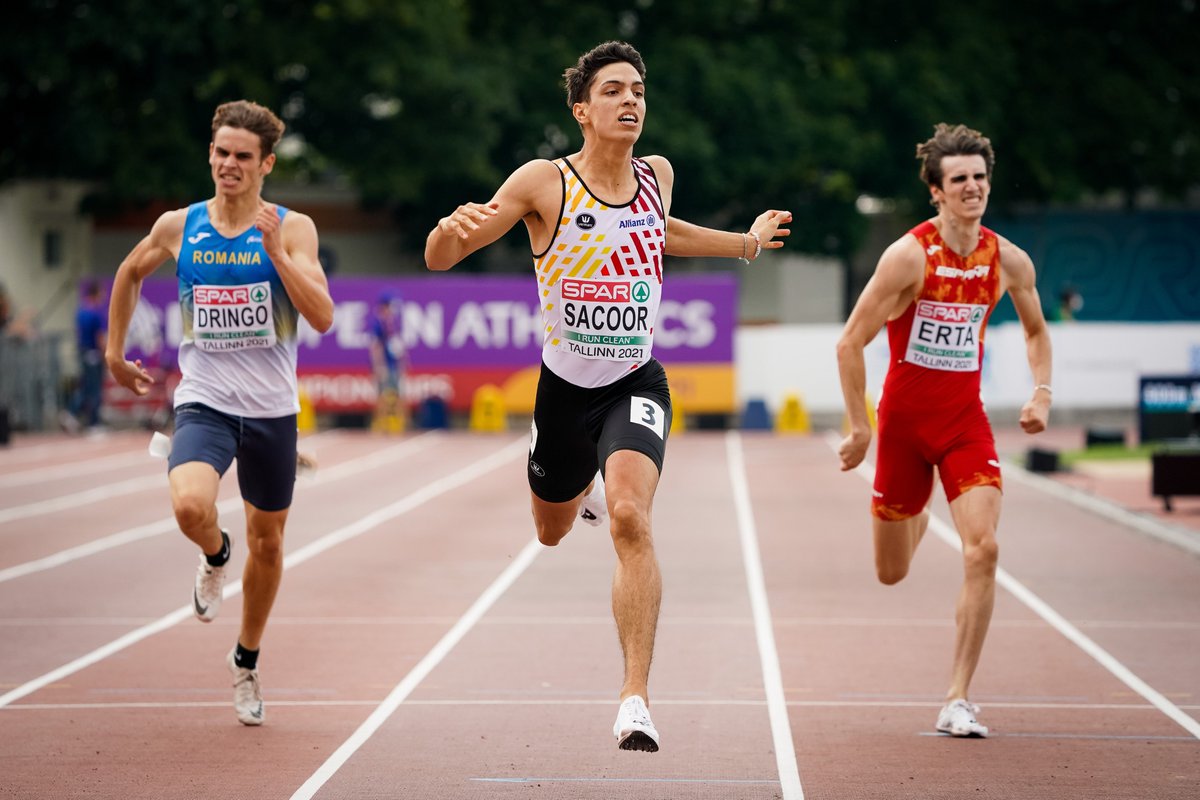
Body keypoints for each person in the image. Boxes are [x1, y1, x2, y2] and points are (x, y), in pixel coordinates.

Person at [425, 41, 791, 752]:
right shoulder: (545, 183)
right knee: (550, 532)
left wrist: (745, 244)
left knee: (630, 518)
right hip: (563, 394)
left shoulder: (658, 175)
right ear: (581, 110)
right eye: (614, 91)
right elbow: (445, 258)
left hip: (634, 382)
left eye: (638, 91)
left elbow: (662, 233)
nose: (630, 101)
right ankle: (580, 485)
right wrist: (446, 232)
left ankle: (634, 700)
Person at [106, 100, 333, 726]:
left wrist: (277, 256)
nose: (229, 164)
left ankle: (246, 659)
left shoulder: (293, 228)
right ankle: (214, 553)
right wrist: (115, 354)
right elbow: (129, 272)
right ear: (210, 154)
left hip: (270, 412)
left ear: (266, 164)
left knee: (270, 542)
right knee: (189, 507)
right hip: (204, 401)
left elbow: (321, 316)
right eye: (221, 153)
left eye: (242, 156)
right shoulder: (180, 226)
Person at [835, 123, 1052, 738]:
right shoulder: (909, 256)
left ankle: (958, 697)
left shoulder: (1008, 260)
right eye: (959, 179)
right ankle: (919, 507)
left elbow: (1036, 331)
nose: (972, 187)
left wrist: (1042, 391)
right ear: (936, 190)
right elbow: (850, 343)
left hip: (964, 426)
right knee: (891, 572)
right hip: (904, 429)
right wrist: (860, 427)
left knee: (984, 550)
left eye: (980, 177)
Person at [65, 280, 108, 431]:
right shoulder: (95, 313)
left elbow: (78, 333)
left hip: (83, 353)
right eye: (101, 294)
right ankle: (94, 423)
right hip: (93, 354)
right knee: (95, 390)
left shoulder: (80, 312)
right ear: (95, 294)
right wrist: (105, 356)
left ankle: (71, 413)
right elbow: (100, 337)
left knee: (86, 387)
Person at [368, 291, 406, 432]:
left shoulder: (393, 323)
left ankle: (399, 423)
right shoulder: (378, 324)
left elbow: (398, 345)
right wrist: (378, 365)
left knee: (399, 394)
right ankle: (381, 423)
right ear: (384, 306)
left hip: (394, 363)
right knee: (381, 395)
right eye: (390, 306)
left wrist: (403, 361)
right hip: (384, 365)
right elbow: (375, 346)